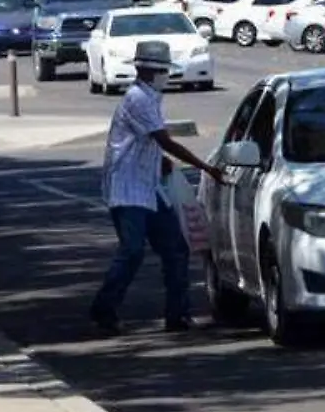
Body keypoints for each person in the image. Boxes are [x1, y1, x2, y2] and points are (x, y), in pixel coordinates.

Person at [90, 40, 224, 334]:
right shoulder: (138, 98)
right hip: (127, 187)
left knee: (176, 247)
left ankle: (177, 314)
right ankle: (104, 307)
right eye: (163, 71)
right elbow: (163, 139)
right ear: (151, 71)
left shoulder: (151, 98)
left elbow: (145, 142)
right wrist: (205, 168)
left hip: (148, 185)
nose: (166, 76)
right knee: (133, 250)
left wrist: (158, 161)